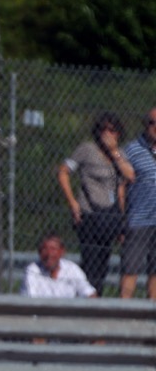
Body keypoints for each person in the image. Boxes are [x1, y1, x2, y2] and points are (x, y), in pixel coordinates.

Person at [56, 111, 133, 294]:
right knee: (90, 262)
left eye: (112, 131)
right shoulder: (87, 149)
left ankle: (96, 297)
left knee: (103, 263)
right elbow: (63, 171)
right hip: (89, 212)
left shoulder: (120, 154)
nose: (107, 134)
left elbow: (129, 177)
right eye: (103, 130)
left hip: (110, 215)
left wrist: (114, 152)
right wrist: (73, 203)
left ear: (118, 134)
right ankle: (88, 301)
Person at [120, 108, 156, 299]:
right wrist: (121, 217)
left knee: (155, 273)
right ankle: (122, 314)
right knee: (130, 270)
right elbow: (121, 186)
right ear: (145, 125)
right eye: (152, 122)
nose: (155, 127)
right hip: (138, 220)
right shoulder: (132, 149)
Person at [21, 231, 96, 298]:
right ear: (39, 252)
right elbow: (30, 304)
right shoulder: (32, 271)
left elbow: (89, 294)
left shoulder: (72, 269)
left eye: (53, 249)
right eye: (44, 249)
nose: (49, 254)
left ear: (62, 252)